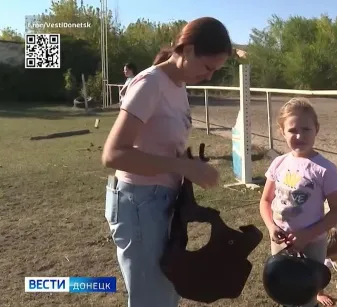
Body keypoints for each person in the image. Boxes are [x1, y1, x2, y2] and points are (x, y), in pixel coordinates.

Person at [101, 17, 232, 307]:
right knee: (153, 299)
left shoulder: (177, 84)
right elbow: (113, 154)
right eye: (208, 67)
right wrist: (184, 167)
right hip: (139, 204)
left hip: (160, 202)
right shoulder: (150, 84)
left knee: (165, 294)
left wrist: (187, 164)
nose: (209, 76)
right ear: (187, 50)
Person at [259, 97, 337, 307]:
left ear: (316, 129)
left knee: (305, 297)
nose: (299, 135)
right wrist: (271, 227)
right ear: (282, 131)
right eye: (292, 130)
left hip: (312, 244)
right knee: (284, 291)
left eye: (306, 129)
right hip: (280, 242)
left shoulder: (324, 169)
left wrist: (306, 235)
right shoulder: (278, 163)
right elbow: (265, 200)